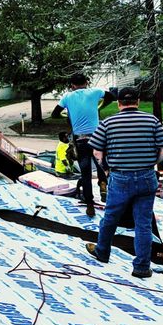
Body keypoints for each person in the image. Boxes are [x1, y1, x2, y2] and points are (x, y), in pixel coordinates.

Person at [85, 87, 163, 278]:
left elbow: (97, 151)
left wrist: (106, 170)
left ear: (118, 103)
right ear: (137, 102)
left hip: (120, 177)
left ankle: (102, 251)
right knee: (143, 224)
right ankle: (141, 267)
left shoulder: (108, 123)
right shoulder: (152, 121)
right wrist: (151, 163)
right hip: (147, 177)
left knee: (111, 217)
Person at [51, 73, 115, 217]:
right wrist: (99, 106)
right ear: (86, 82)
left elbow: (55, 114)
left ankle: (90, 204)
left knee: (85, 173)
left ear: (72, 85)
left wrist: (66, 115)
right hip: (97, 138)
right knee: (101, 164)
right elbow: (112, 96)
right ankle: (103, 184)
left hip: (80, 140)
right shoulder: (95, 92)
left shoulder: (67, 97)